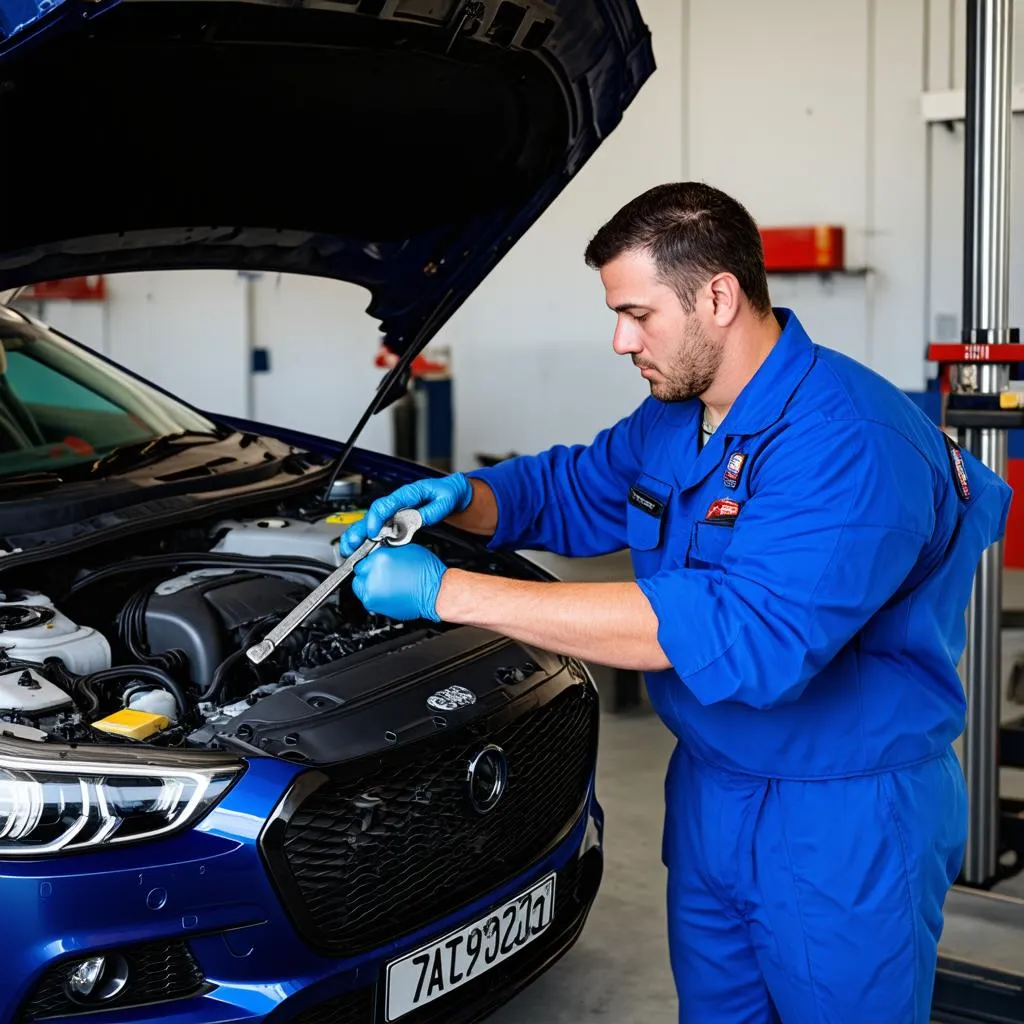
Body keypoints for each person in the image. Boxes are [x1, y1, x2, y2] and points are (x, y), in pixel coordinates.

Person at [339, 182, 1014, 1023]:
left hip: (842, 813)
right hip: (712, 787)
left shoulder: (849, 440)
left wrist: (449, 592)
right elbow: (575, 488)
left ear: (719, 297)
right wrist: (459, 499)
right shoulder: (680, 414)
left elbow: (745, 632)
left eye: (637, 313)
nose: (621, 340)